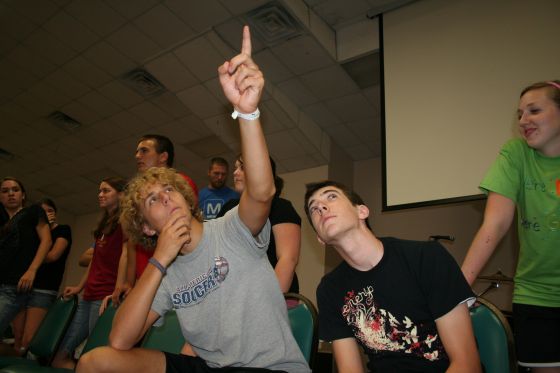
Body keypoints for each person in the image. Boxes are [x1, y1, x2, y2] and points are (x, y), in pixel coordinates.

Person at [76, 26, 310, 373]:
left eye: (169, 190)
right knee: (98, 361)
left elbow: (262, 193)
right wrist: (159, 261)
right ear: (146, 227)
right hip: (212, 366)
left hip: (271, 367)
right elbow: (121, 341)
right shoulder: (166, 273)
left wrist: (247, 112)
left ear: (187, 198)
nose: (166, 198)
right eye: (152, 200)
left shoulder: (231, 228)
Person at [304, 180, 481, 372]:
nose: (321, 207)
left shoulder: (427, 257)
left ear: (362, 211)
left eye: (331, 196)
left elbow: (466, 364)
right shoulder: (330, 289)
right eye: (313, 208)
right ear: (320, 238)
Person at [461, 80, 560, 372]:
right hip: (537, 296)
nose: (523, 121)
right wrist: (457, 289)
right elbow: (495, 224)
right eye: (519, 114)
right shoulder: (516, 154)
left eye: (534, 111)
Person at [51, 177, 128, 369]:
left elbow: (127, 255)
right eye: (99, 191)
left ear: (120, 194)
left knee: (98, 353)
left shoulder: (124, 221)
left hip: (105, 296)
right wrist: (79, 287)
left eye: (106, 191)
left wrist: (118, 288)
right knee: (61, 353)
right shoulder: (103, 225)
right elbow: (95, 261)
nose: (100, 195)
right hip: (89, 295)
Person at [217, 156, 301, 294]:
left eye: (242, 167)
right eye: (236, 168)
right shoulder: (228, 208)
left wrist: (268, 302)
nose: (235, 172)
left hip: (275, 298)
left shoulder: (280, 207)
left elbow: (288, 259)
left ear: (262, 172)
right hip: (233, 298)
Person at [10, 198, 72, 356]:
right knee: (17, 338)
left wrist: (45, 235)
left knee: (28, 340)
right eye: (41, 212)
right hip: (23, 286)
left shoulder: (63, 229)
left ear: (55, 214)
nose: (46, 214)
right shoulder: (32, 234)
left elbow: (52, 256)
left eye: (49, 210)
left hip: (44, 289)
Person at [0, 177, 51, 354]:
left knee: (22, 339)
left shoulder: (33, 212)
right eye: (5, 191)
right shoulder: (3, 221)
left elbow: (46, 241)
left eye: (15, 189)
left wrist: (32, 270)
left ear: (23, 195)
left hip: (14, 285)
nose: (10, 194)